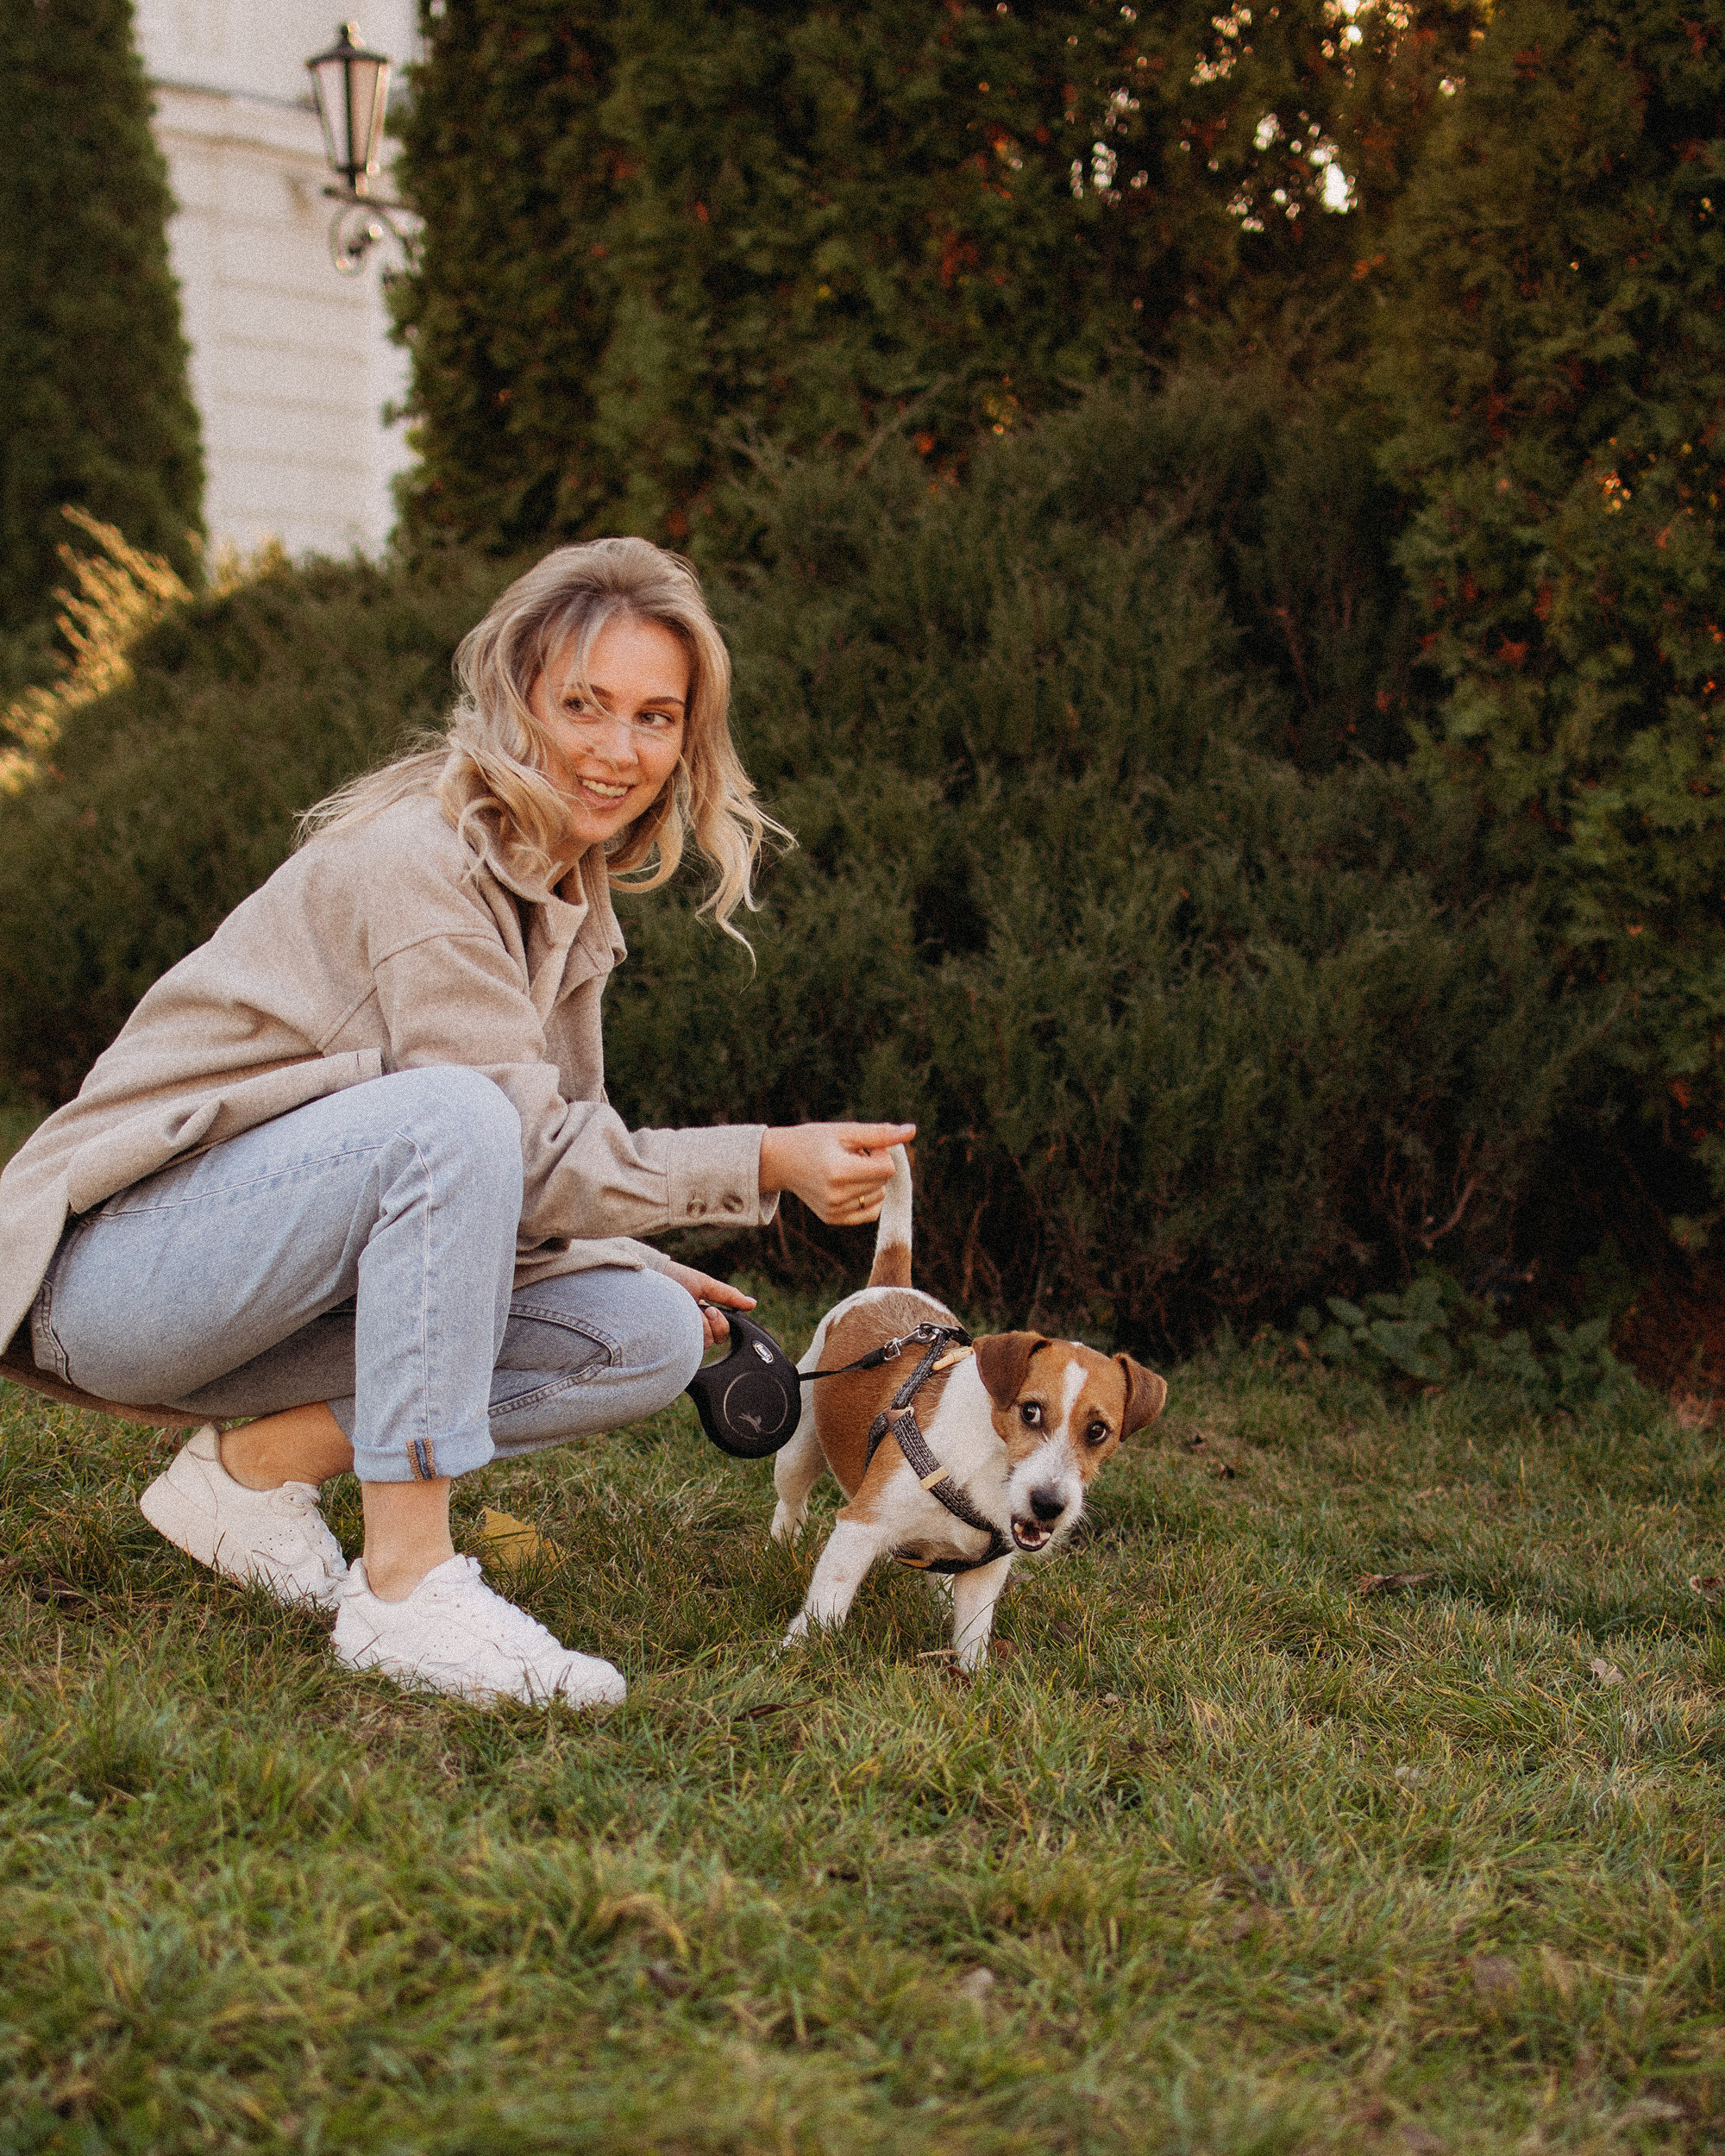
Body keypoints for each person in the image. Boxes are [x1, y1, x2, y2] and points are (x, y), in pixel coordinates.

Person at [0, 538, 913, 1708]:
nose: (617, 749)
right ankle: (407, 1592)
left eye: (654, 716)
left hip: (266, 1279)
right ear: (514, 698)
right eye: (583, 704)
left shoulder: (561, 897)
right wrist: (768, 1162)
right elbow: (500, 1146)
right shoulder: (426, 869)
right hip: (120, 1277)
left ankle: (249, 1476)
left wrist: (624, 1253)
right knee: (451, 1118)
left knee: (643, 1328)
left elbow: (516, 1174)